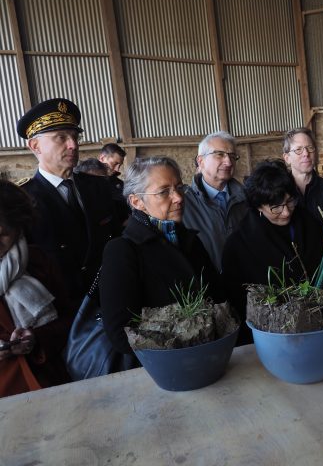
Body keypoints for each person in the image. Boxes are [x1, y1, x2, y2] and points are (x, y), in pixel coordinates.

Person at [100, 157, 224, 357]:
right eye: (164, 192)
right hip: (162, 367)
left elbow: (218, 298)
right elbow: (120, 333)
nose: (178, 198)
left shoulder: (190, 240)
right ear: (136, 201)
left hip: (210, 355)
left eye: (179, 187)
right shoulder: (123, 251)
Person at [17, 98, 121, 305]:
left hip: (110, 298)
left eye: (74, 136)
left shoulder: (100, 187)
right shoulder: (22, 200)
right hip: (60, 308)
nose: (73, 145)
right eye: (61, 137)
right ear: (35, 145)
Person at [222, 160, 323, 346]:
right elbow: (238, 302)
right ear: (258, 207)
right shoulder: (239, 244)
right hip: (269, 336)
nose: (286, 212)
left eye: (289, 201)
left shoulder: (310, 224)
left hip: (317, 327)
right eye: (275, 207)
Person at [0, 181, 72, 397]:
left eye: (3, 234)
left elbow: (68, 319)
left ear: (19, 227)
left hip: (49, 382)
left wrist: (37, 338)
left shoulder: (37, 261)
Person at [182, 131, 249, 271]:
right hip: (205, 287)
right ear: (200, 161)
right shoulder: (183, 202)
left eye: (232, 156)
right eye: (220, 154)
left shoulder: (247, 198)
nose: (228, 162)